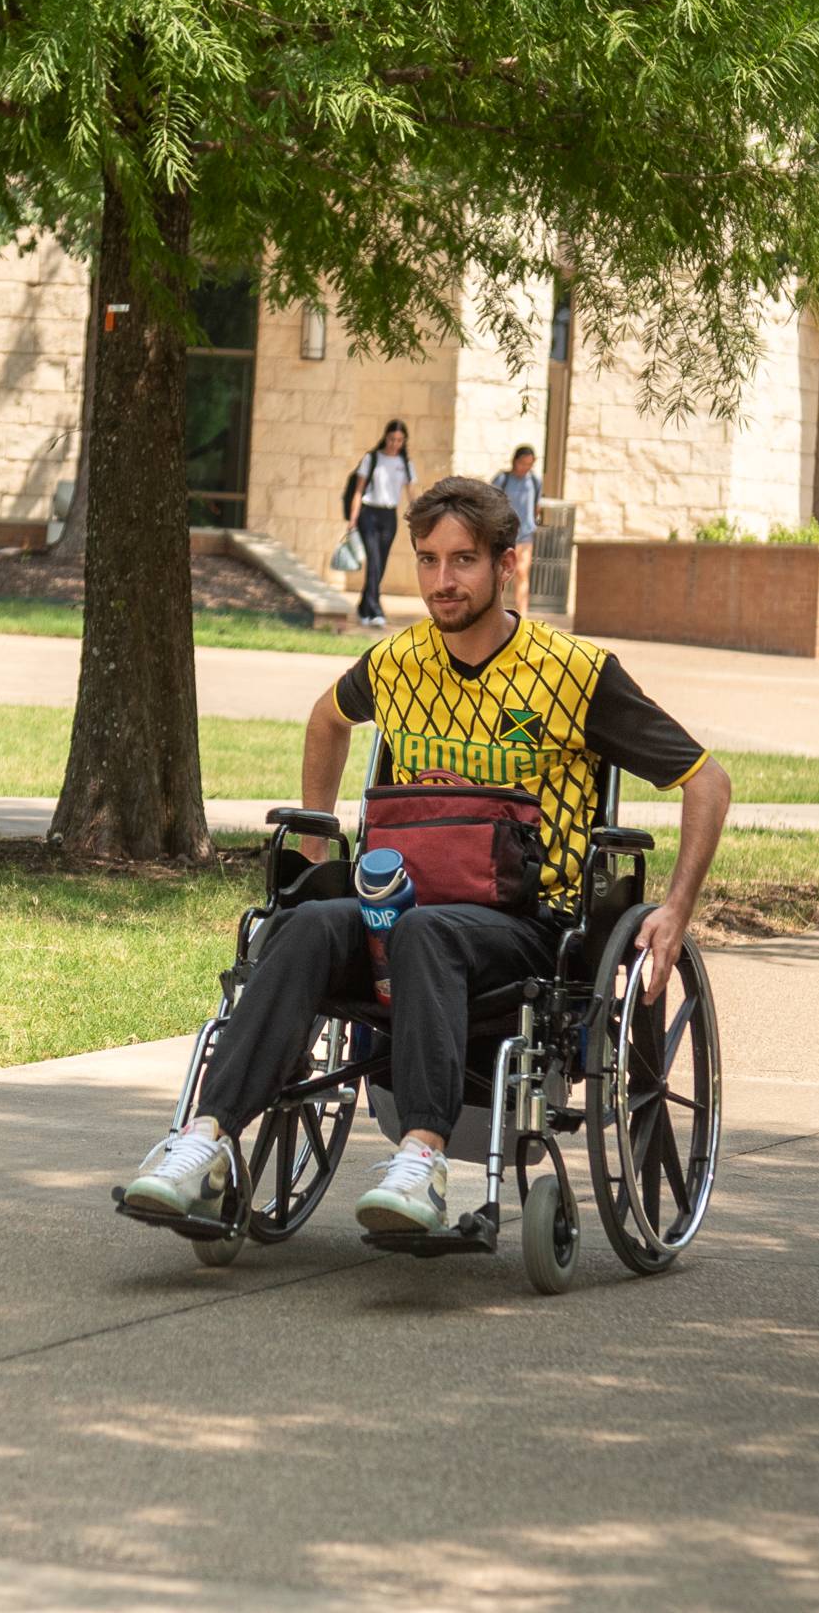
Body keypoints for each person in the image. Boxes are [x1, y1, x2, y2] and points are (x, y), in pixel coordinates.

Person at [121, 476, 734, 1233]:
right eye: (429, 560)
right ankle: (201, 1141)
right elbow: (326, 718)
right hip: (396, 906)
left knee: (425, 933)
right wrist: (319, 840)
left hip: (522, 926)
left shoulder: (575, 674)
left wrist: (674, 912)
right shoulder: (397, 663)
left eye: (464, 561)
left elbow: (707, 780)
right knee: (305, 926)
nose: (443, 581)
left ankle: (422, 1159)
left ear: (507, 565)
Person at [346, 419, 415, 630]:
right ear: (385, 437)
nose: (395, 443)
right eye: (392, 439)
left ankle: (363, 607)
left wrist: (420, 515)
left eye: (400, 440)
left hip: (389, 516)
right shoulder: (372, 458)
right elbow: (358, 490)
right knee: (374, 560)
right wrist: (353, 519)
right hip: (369, 514)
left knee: (381, 563)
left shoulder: (405, 464)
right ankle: (376, 610)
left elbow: (411, 492)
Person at [494, 444, 543, 618]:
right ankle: (496, 614)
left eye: (530, 464)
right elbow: (491, 505)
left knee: (522, 572)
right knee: (499, 574)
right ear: (515, 461)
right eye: (523, 463)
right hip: (504, 534)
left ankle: (522, 616)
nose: (525, 467)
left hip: (525, 534)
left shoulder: (535, 481)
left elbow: (536, 505)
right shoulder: (502, 479)